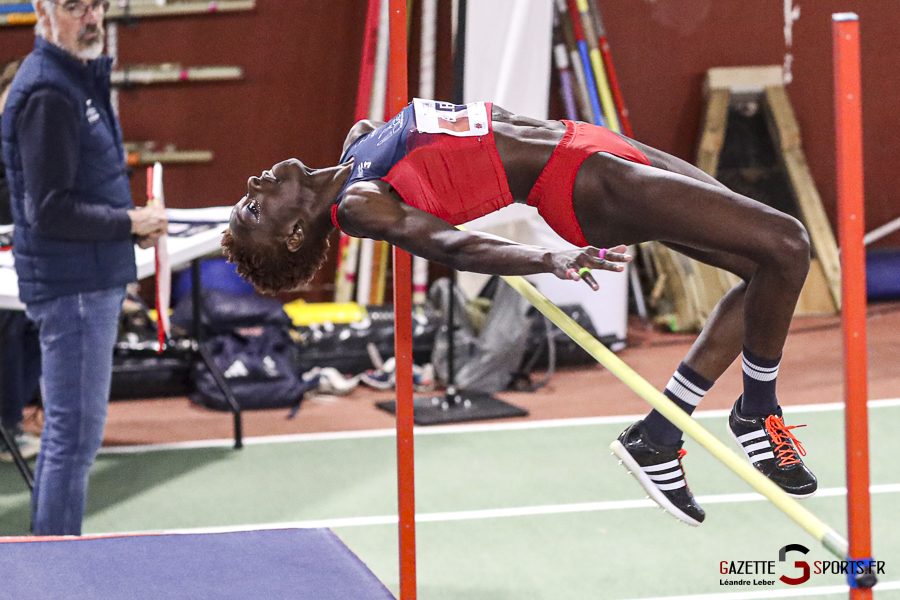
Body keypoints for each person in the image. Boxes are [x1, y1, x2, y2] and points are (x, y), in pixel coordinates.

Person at [222, 99, 816, 527]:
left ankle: (659, 436)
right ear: (295, 234)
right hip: (582, 181)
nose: (253, 182)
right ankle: (757, 410)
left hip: (585, 141)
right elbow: (452, 245)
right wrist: (547, 259)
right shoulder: (360, 204)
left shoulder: (359, 147)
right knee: (787, 241)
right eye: (253, 207)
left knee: (767, 266)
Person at [1, 0, 167, 534]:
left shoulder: (77, 77)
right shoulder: (49, 92)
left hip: (86, 279)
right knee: (71, 440)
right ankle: (55, 564)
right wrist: (130, 222)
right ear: (44, 11)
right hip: (72, 288)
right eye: (75, 6)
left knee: (73, 438)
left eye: (97, 4)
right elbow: (49, 210)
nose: (91, 16)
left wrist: (128, 226)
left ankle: (55, 557)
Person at [0, 58, 42, 464]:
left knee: (42, 320)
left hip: (20, 255)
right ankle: (7, 426)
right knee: (8, 321)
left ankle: (7, 420)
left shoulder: (32, 139)